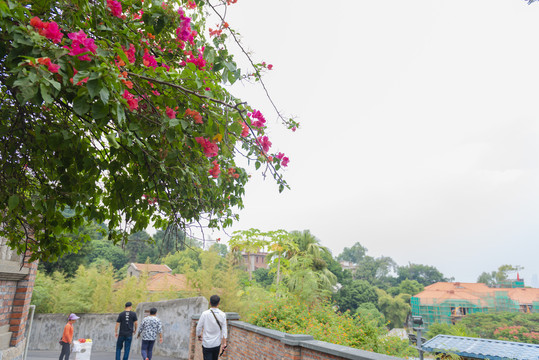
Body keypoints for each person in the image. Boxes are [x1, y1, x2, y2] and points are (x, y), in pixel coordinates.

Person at [196, 295, 227, 360]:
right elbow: (224, 330)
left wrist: (199, 335)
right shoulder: (222, 314)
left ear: (210, 303)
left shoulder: (205, 314)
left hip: (207, 344)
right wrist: (224, 343)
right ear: (218, 303)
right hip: (216, 344)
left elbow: (199, 327)